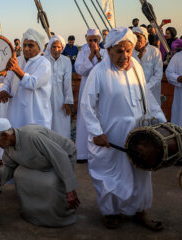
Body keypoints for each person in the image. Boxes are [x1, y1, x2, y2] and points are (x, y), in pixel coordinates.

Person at [80, 27, 166, 230]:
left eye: (128, 51)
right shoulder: (99, 72)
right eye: (119, 51)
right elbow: (86, 104)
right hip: (111, 137)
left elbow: (147, 96)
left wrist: (161, 120)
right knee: (110, 176)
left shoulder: (136, 65)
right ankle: (111, 212)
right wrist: (96, 132)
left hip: (138, 135)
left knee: (141, 174)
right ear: (109, 50)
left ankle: (140, 211)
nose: (125, 56)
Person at [0, 118, 80, 227]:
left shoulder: (32, 136)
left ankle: (58, 217)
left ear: (5, 136)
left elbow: (60, 156)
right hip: (41, 164)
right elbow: (9, 167)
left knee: (51, 183)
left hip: (63, 158)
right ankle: (32, 214)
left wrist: (70, 189)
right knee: (19, 174)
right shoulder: (8, 146)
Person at [0, 28, 52, 129]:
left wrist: (16, 69)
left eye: (31, 45)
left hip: (35, 116)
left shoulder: (44, 64)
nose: (26, 48)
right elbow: (7, 81)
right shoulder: (17, 61)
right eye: (24, 45)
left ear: (39, 47)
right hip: (16, 114)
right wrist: (4, 91)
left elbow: (33, 83)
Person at [74, 29, 107, 163]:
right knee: (84, 118)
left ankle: (100, 153)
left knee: (100, 117)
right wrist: (90, 56)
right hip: (86, 88)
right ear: (86, 40)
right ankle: (83, 153)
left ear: (99, 40)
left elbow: (106, 69)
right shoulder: (82, 53)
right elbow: (80, 70)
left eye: (95, 40)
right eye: (90, 40)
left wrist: (98, 55)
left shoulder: (105, 52)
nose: (92, 42)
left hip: (101, 89)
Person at [44, 35, 73, 138]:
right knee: (47, 124)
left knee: (62, 124)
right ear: (49, 48)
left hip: (61, 99)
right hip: (45, 98)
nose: (56, 50)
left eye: (58, 47)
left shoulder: (66, 61)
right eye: (53, 47)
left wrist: (68, 101)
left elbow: (67, 82)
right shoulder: (43, 60)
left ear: (62, 48)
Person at [132, 27, 163, 105]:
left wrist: (145, 88)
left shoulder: (154, 51)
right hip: (134, 94)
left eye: (138, 37)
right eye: (134, 37)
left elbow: (158, 75)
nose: (136, 39)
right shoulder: (129, 52)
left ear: (145, 38)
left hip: (151, 94)